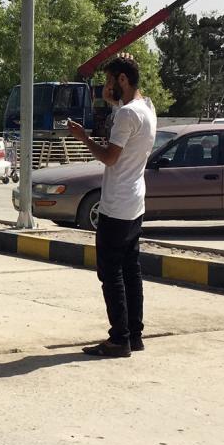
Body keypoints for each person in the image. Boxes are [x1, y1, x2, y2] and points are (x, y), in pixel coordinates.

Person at [66, 54, 156, 358]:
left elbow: (110, 158)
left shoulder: (127, 115)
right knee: (131, 269)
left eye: (109, 81)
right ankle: (134, 334)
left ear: (122, 80)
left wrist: (82, 138)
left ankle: (119, 338)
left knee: (111, 272)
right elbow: (126, 135)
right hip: (135, 202)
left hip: (116, 205)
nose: (105, 87)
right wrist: (113, 104)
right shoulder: (146, 108)